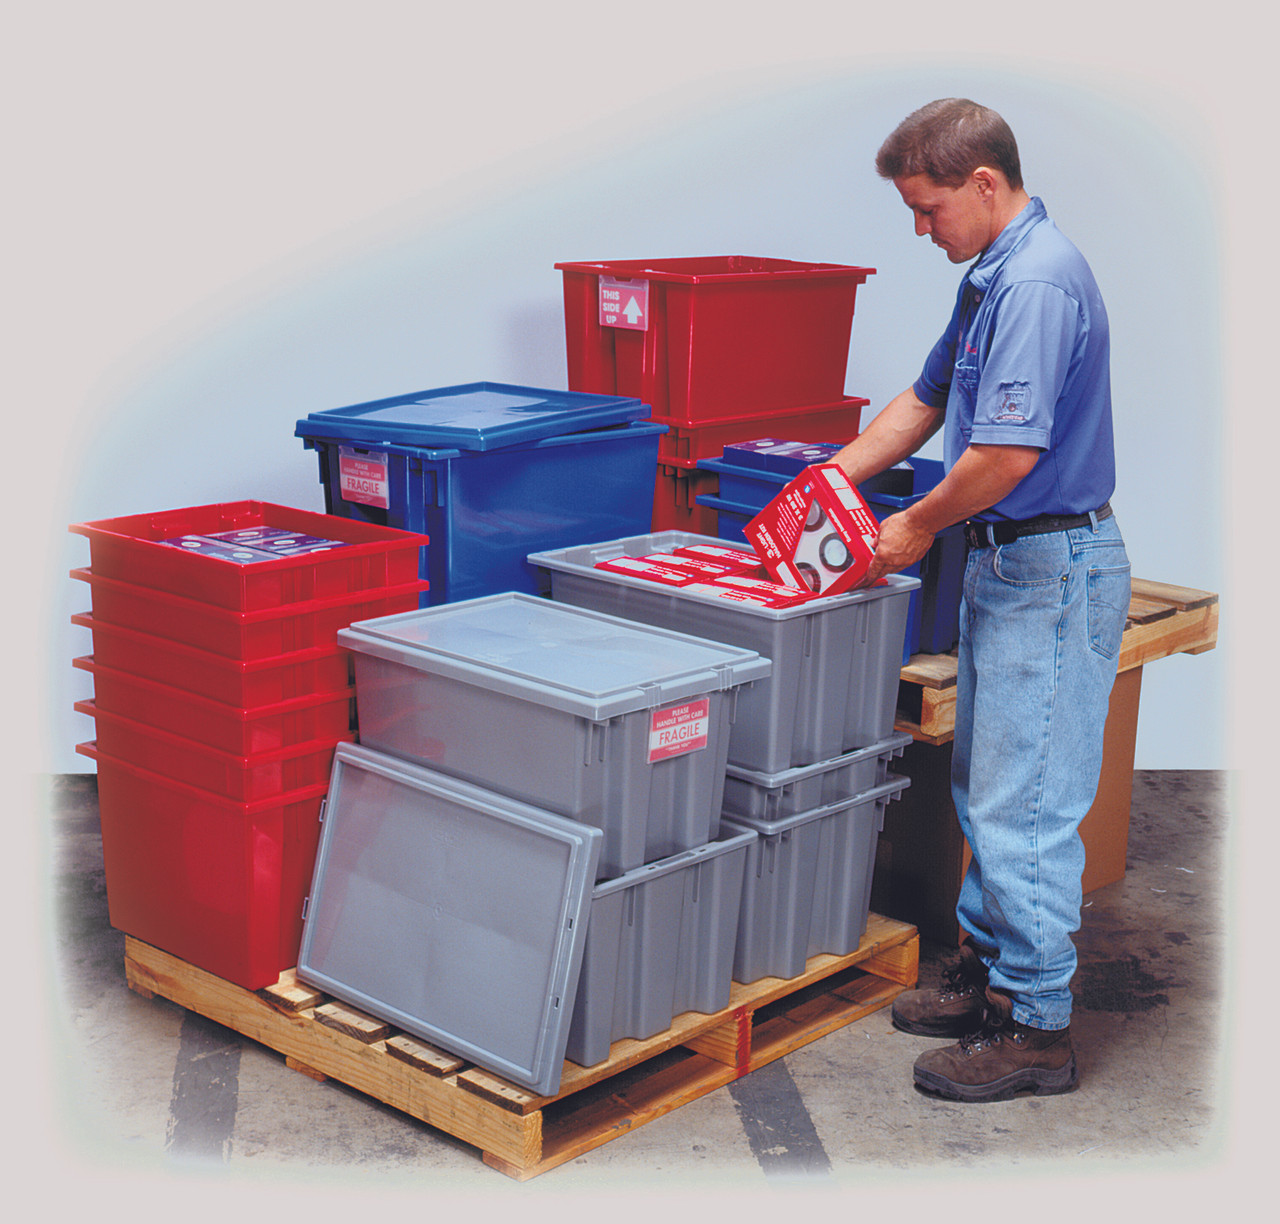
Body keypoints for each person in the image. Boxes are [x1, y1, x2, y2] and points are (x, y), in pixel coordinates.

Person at [831, 98, 1131, 1102]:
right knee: (985, 789)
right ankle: (992, 973)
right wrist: (824, 488)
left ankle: (1035, 1027)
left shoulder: (1037, 284)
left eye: (925, 210)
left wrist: (912, 529)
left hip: (1045, 567)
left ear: (982, 185)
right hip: (1006, 567)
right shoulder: (989, 279)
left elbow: (1003, 454)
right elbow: (921, 404)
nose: (920, 232)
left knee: (1022, 810)